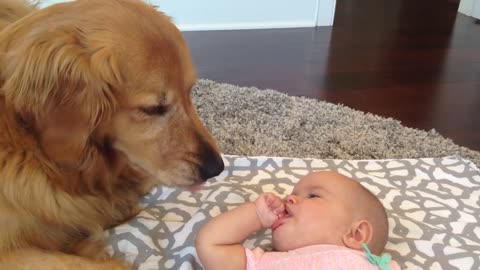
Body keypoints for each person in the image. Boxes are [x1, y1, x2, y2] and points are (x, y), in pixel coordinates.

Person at [195, 171, 400, 270]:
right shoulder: (265, 262)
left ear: (356, 234)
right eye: (292, 194)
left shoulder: (372, 265)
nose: (289, 199)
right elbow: (211, 245)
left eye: (313, 196)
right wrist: (256, 215)